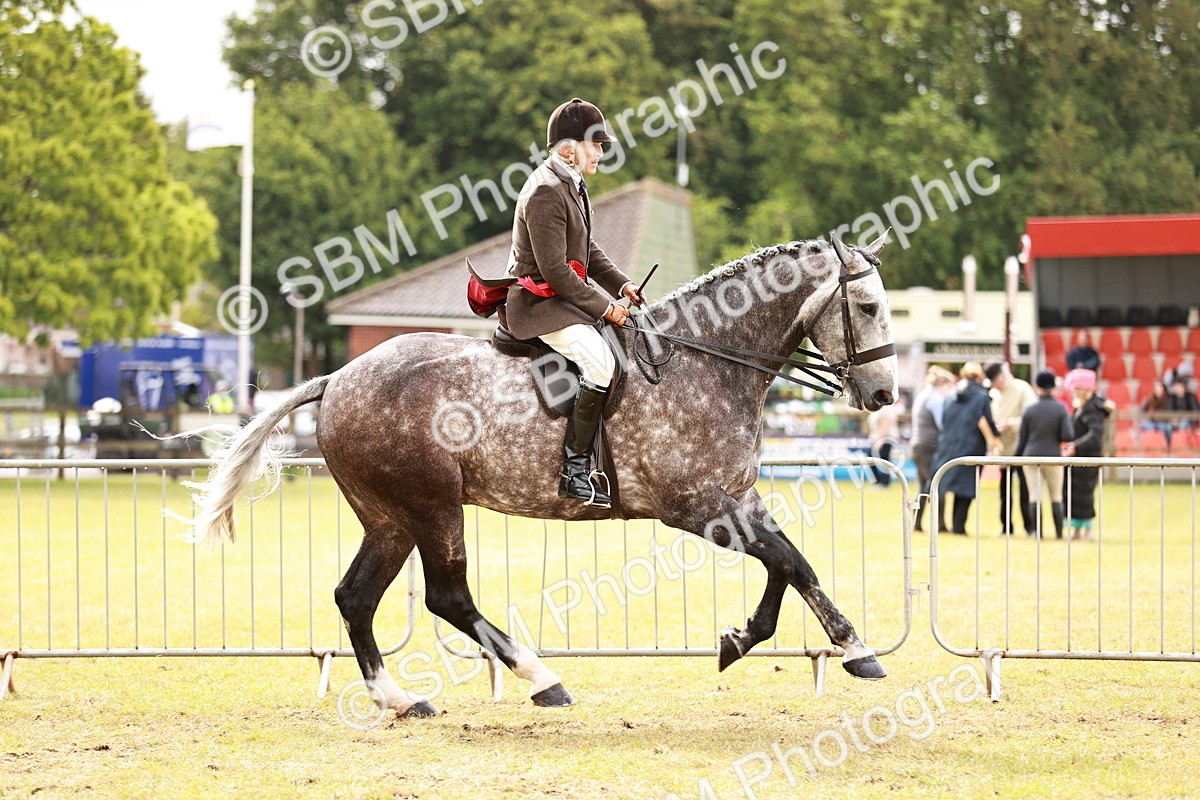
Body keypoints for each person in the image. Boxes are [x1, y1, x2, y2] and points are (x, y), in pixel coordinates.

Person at [504, 98, 643, 509]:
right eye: (595, 144)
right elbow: (557, 271)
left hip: (564, 297)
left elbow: (587, 250)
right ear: (568, 148)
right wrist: (606, 307)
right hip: (539, 303)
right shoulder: (546, 191)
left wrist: (622, 284)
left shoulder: (570, 184)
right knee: (602, 364)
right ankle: (574, 470)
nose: (600, 152)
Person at [929, 362, 1003, 535]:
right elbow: (988, 421)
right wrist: (998, 435)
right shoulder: (981, 396)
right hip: (971, 447)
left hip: (949, 446)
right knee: (966, 488)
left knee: (947, 484)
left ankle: (950, 525)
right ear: (979, 377)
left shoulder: (950, 394)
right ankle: (959, 526)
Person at [1016, 370, 1074, 539]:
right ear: (1053, 386)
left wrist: (1016, 458)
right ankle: (1059, 534)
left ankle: (1038, 533)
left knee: (1034, 495)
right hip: (1053, 456)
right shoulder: (1060, 409)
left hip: (1031, 456)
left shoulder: (1029, 409)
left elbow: (1022, 439)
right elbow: (1068, 435)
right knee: (1056, 496)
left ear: (1037, 386)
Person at [985, 362, 1037, 536]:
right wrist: (996, 427)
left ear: (1002, 376)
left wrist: (1011, 424)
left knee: (1025, 490)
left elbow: (1031, 416)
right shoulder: (993, 393)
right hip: (1003, 449)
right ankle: (1006, 526)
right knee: (1004, 492)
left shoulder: (1023, 389)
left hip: (1021, 447)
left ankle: (1029, 526)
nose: (995, 386)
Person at [1061, 368, 1112, 540]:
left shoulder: (1091, 408)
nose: (1074, 391)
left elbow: (1095, 435)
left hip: (1087, 459)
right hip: (1080, 459)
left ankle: (1087, 531)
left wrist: (1076, 446)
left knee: (1085, 495)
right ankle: (1077, 530)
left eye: (1078, 388)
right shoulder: (1083, 406)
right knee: (1076, 494)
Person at [911, 365, 956, 532]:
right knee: (939, 484)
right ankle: (941, 524)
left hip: (918, 446)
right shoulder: (935, 399)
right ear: (942, 384)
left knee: (923, 487)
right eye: (949, 386)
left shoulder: (923, 395)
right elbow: (942, 424)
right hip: (928, 447)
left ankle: (917, 524)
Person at [867, 400, 900, 488]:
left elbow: (885, 425)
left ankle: (884, 482)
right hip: (876, 438)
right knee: (872, 459)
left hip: (885, 439)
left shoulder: (886, 409)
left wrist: (880, 441)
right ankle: (879, 481)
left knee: (884, 460)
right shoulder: (877, 408)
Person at [1164, 377, 1200, 451]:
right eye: (1175, 386)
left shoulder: (1190, 396)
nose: (1177, 388)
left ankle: (1183, 447)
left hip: (1188, 420)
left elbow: (1195, 412)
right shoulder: (1171, 397)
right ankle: (1169, 447)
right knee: (1167, 427)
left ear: (1183, 386)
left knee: (1183, 424)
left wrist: (1194, 425)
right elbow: (1169, 411)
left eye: (1179, 386)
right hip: (1175, 420)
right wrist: (1173, 419)